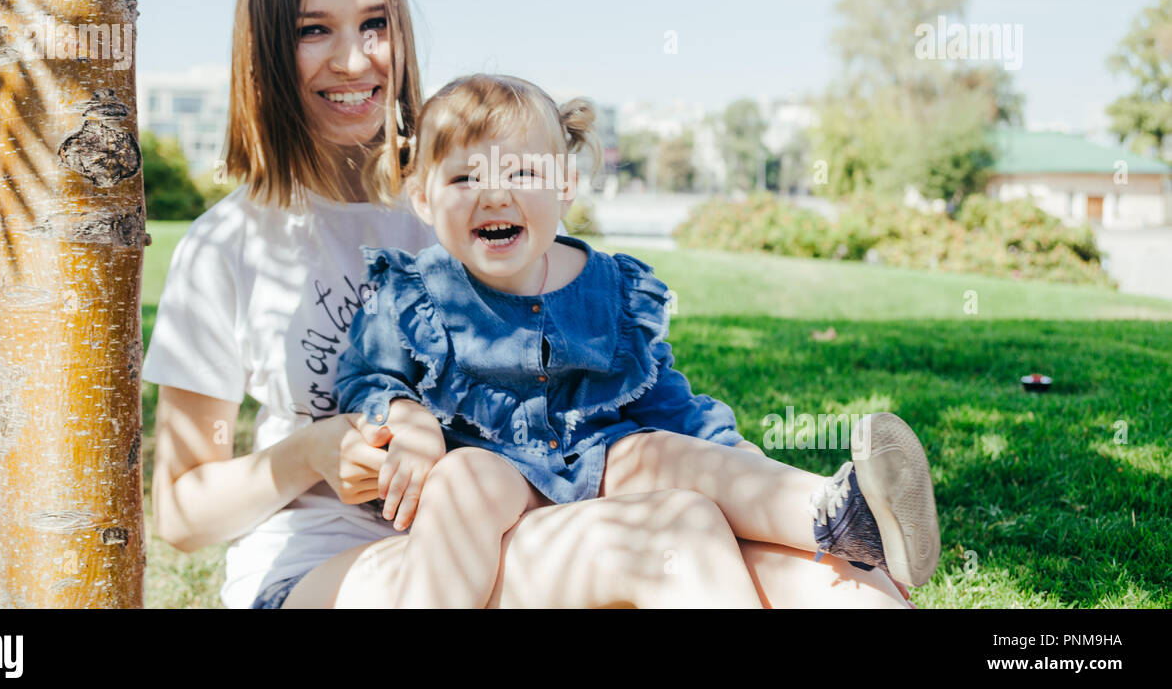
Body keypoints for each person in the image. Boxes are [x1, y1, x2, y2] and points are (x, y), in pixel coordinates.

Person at [145, 0, 916, 608]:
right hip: (332, 568)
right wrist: (312, 450)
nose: (353, 59)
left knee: (836, 582)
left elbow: (601, 372)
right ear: (269, 54)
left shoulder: (458, 197)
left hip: (521, 513)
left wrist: (736, 470)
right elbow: (179, 513)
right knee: (674, 538)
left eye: (374, 23)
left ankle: (844, 521)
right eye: (314, 30)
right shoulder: (231, 246)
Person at [333, 73, 942, 607]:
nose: (495, 193)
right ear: (422, 198)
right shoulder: (414, 290)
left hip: (600, 464)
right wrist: (406, 417)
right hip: (500, 483)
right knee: (464, 476)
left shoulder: (609, 288)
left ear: (565, 185)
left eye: (522, 172)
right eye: (465, 176)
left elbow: (666, 401)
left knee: (662, 451)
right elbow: (365, 376)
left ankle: (840, 515)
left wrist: (734, 458)